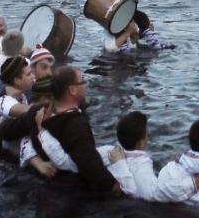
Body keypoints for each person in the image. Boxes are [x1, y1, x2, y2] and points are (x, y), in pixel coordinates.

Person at [12, 66, 122, 197]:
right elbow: (91, 168)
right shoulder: (76, 125)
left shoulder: (37, 112)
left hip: (48, 188)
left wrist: (35, 160)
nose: (85, 84)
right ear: (72, 89)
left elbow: (6, 130)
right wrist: (115, 188)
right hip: (73, 192)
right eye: (82, 80)